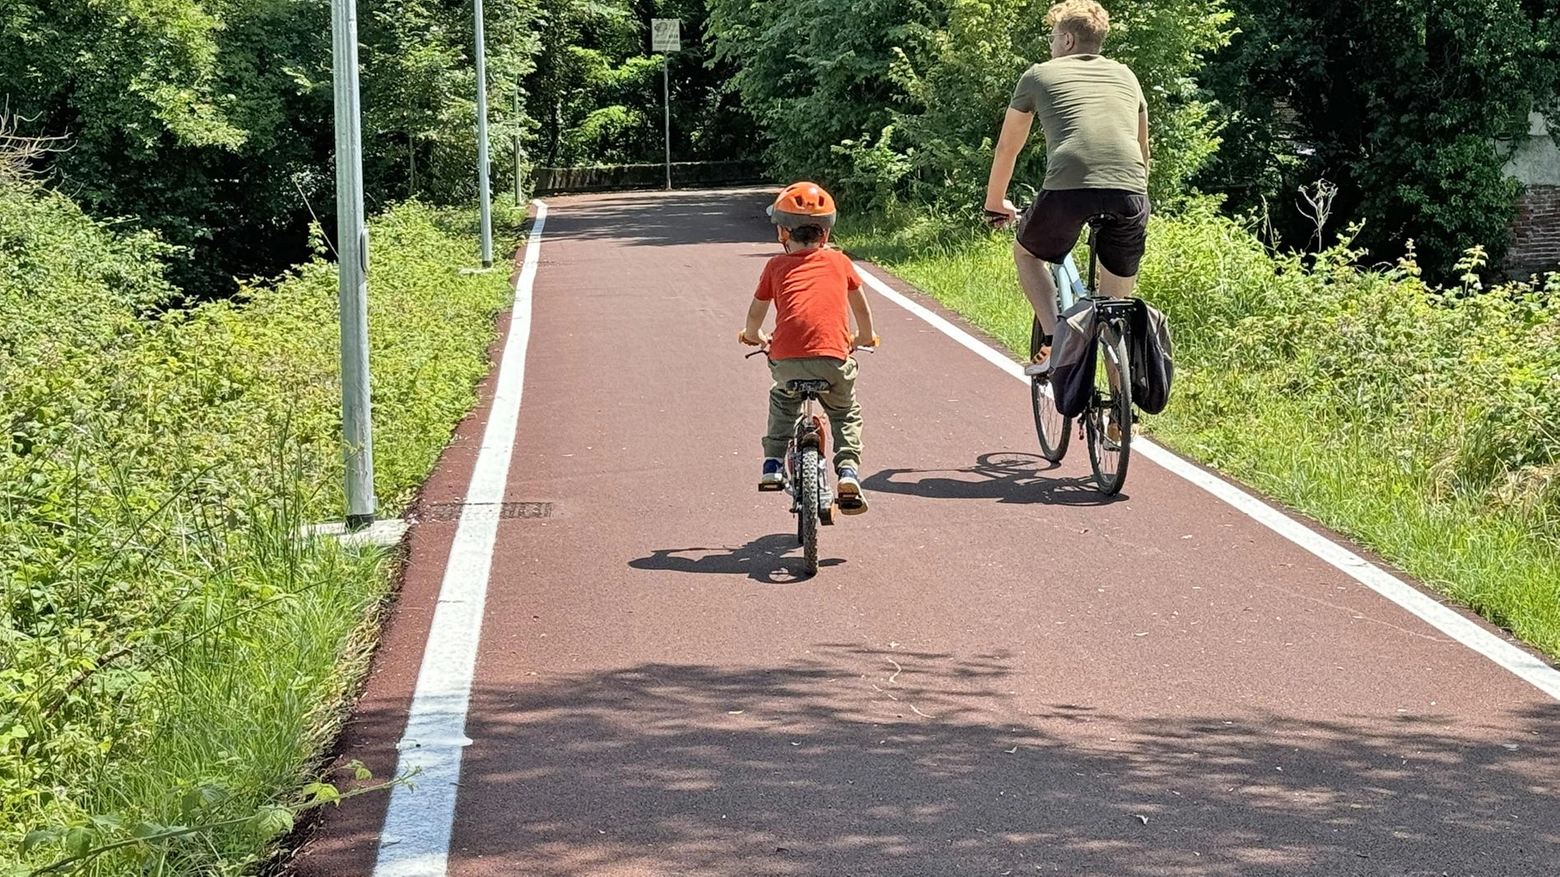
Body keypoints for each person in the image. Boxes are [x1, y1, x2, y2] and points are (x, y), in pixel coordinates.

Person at [983, 0, 1151, 376]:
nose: (1050, 44)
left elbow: (1008, 146)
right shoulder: (1127, 75)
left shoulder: (1039, 75)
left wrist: (995, 202)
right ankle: (1121, 417)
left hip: (1068, 189)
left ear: (1069, 40)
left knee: (1027, 253)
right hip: (1131, 191)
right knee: (1114, 308)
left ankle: (1052, 340)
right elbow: (1143, 149)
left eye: (1053, 36)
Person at [740, 181, 878, 514]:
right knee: (844, 412)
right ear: (825, 234)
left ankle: (772, 463)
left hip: (786, 359)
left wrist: (752, 335)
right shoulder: (840, 263)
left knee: (783, 400)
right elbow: (861, 309)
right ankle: (847, 471)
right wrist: (864, 337)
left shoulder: (775, 267)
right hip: (832, 358)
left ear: (782, 233)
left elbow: (756, 313)